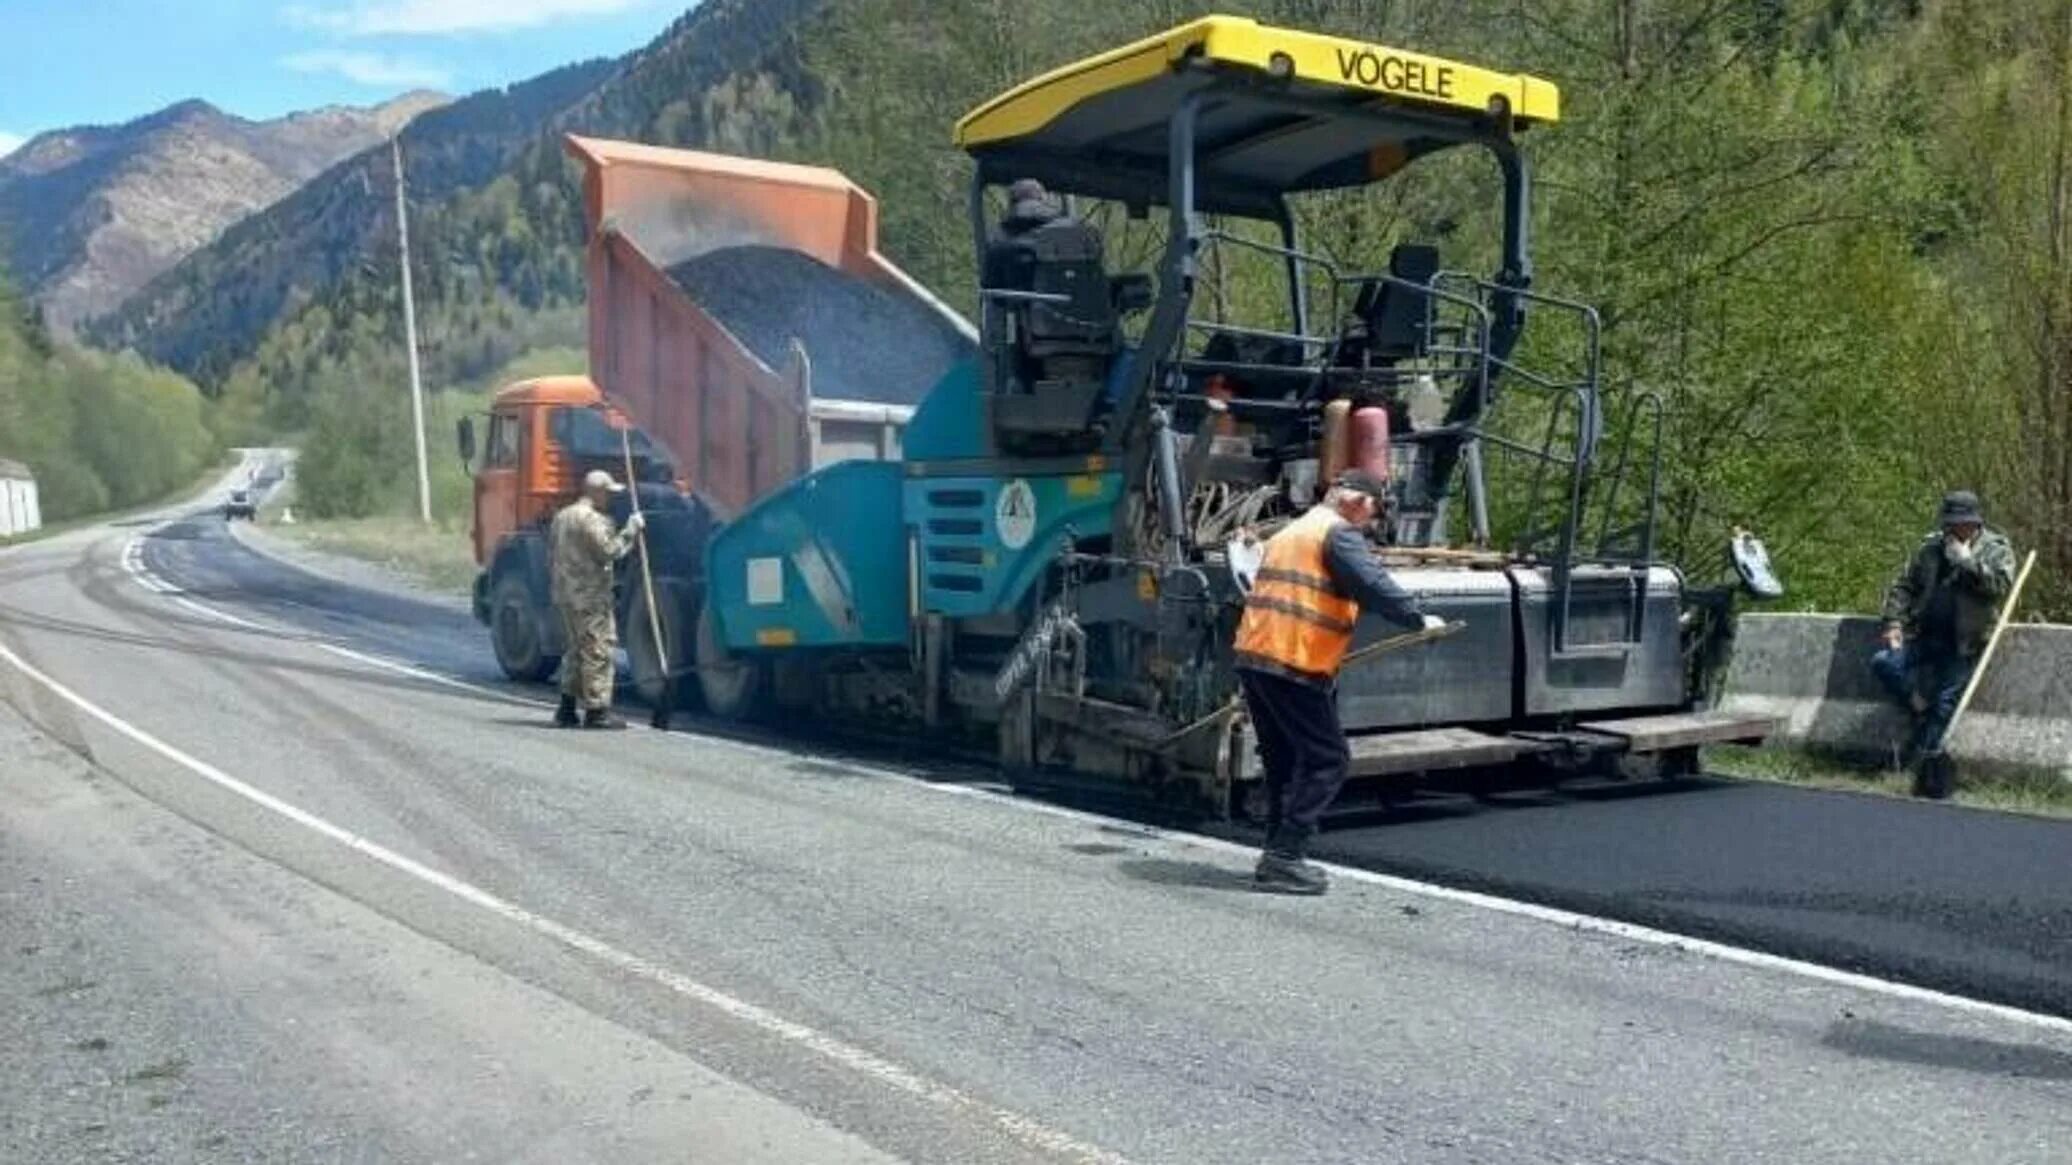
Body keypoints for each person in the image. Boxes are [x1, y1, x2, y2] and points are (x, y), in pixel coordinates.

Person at [1234, 469, 1447, 894]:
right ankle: (1285, 857)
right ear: (1357, 501)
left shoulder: (1293, 531)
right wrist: (1416, 617)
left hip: (1257, 656)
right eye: (1373, 511)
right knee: (1328, 759)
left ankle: (1276, 853)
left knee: (1283, 761)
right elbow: (1372, 583)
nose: (1371, 521)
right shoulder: (1338, 534)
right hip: (1294, 660)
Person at [1871, 489, 2015, 788]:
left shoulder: (1996, 549)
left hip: (1964, 643)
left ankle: (1918, 763)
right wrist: (1894, 622)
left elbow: (2000, 586)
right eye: (1951, 523)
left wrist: (1968, 562)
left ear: (1975, 523)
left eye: (1961, 523)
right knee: (1884, 662)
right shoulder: (1930, 548)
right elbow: (1904, 586)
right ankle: (1917, 705)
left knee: (1945, 703)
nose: (1955, 529)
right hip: (1924, 635)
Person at [549, 469, 645, 730]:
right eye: (608, 493)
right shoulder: (592, 520)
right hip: (589, 596)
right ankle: (597, 711)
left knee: (574, 651)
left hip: (565, 595)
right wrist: (631, 530)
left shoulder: (562, 516)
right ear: (597, 492)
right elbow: (609, 551)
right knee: (597, 651)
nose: (610, 498)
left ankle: (566, 709)